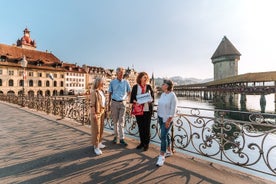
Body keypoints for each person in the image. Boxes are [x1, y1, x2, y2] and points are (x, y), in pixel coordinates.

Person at [130, 72, 154, 151]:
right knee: (140, 127)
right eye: (144, 77)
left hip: (147, 110)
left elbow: (152, 98)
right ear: (140, 78)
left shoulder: (149, 87)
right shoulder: (135, 87)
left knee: (146, 128)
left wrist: (151, 100)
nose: (146, 78)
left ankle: (146, 144)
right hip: (138, 110)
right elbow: (132, 99)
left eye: (146, 77)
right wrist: (135, 101)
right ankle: (141, 143)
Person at [156, 79, 178, 166]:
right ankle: (169, 151)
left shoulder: (172, 96)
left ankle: (162, 156)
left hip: (167, 119)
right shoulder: (163, 94)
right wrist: (158, 117)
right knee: (166, 135)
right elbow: (160, 105)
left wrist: (168, 121)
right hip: (161, 118)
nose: (162, 85)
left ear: (168, 86)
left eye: (163, 84)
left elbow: (173, 110)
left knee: (163, 136)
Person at [108, 67, 131, 146]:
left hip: (123, 103)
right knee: (115, 121)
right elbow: (110, 93)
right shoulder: (112, 82)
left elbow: (129, 91)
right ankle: (115, 137)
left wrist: (126, 99)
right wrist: (108, 104)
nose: (121, 74)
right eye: (120, 72)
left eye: (122, 73)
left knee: (122, 121)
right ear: (117, 73)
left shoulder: (126, 82)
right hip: (114, 102)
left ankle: (122, 139)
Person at [90, 77, 106, 155]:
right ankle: (96, 147)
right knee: (96, 130)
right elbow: (92, 105)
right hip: (97, 112)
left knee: (101, 128)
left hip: (102, 111)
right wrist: (94, 114)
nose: (103, 83)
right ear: (98, 83)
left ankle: (99, 142)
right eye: (102, 82)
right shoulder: (94, 92)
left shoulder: (102, 91)